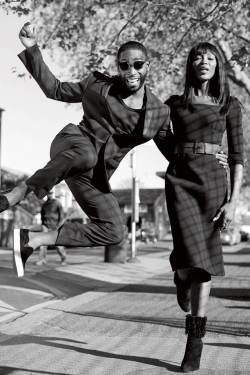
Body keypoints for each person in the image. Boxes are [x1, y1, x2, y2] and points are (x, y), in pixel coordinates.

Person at [0, 22, 227, 279]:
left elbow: (174, 152)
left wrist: (208, 153)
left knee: (114, 231)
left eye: (138, 65)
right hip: (72, 144)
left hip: (94, 173)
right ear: (118, 67)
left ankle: (34, 240)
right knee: (86, 154)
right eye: (124, 65)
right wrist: (32, 49)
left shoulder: (158, 113)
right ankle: (19, 192)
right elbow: (56, 89)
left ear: (147, 67)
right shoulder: (97, 84)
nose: (131, 70)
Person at [164, 42, 244, 372]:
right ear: (190, 64)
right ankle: (180, 277)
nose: (203, 62)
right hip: (181, 180)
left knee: (204, 264)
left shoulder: (230, 104)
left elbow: (238, 156)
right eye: (198, 56)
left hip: (213, 181)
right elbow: (156, 134)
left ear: (218, 65)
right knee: (188, 260)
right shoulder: (173, 104)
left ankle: (194, 342)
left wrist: (234, 199)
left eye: (210, 58)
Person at [35, 190, 67, 266]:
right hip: (45, 226)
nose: (49, 195)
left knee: (58, 245)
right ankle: (42, 260)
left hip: (55, 227)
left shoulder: (57, 203)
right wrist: (43, 225)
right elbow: (42, 216)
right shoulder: (44, 205)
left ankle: (63, 259)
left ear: (53, 194)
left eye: (51, 193)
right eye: (48, 194)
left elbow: (62, 216)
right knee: (43, 244)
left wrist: (58, 226)